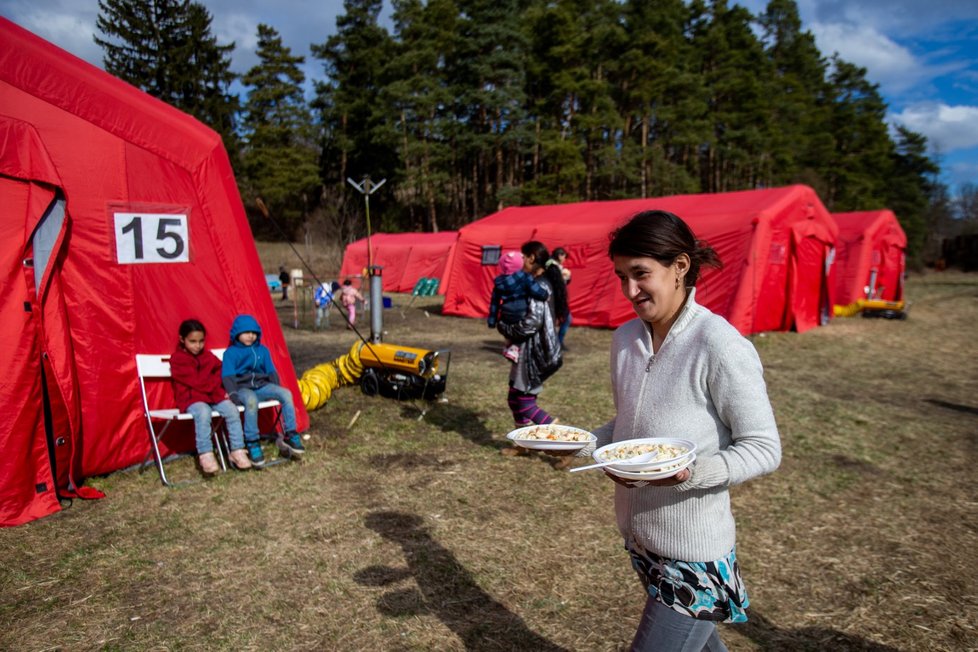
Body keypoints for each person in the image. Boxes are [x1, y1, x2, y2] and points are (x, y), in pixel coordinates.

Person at [591, 210, 781, 651]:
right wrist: (584, 444)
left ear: (680, 266)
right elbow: (629, 428)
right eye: (621, 276)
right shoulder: (624, 340)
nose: (629, 290)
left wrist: (690, 473)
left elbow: (764, 447)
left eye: (641, 274)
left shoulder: (718, 342)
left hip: (694, 554)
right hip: (642, 541)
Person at [497, 241, 569, 467]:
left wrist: (506, 328)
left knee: (525, 402)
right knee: (514, 397)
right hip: (528, 350)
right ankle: (523, 443)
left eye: (522, 257)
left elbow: (532, 322)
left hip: (534, 352)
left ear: (530, 258)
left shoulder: (539, 286)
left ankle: (564, 446)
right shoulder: (540, 282)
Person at [169, 319, 252, 475]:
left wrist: (214, 385)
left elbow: (222, 369)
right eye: (192, 341)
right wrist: (213, 384)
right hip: (192, 399)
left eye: (201, 341)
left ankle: (237, 450)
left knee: (231, 410)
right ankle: (206, 454)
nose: (197, 345)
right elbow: (194, 381)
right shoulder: (177, 360)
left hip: (213, 396)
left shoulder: (208, 356)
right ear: (182, 339)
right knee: (203, 412)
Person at [222, 314, 305, 467]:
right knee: (251, 400)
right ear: (237, 333)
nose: (250, 336)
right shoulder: (231, 353)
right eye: (246, 332)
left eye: (254, 333)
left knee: (286, 394)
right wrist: (233, 394)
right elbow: (227, 375)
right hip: (242, 388)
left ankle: (291, 434)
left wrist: (276, 388)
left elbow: (271, 371)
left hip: (262, 386)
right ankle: (252, 442)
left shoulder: (263, 351)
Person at [487, 250, 550, 363]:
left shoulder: (498, 283)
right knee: (523, 330)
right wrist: (545, 295)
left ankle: (508, 344)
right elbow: (535, 290)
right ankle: (514, 348)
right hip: (521, 311)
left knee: (508, 329)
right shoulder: (525, 277)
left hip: (506, 312)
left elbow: (494, 303)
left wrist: (492, 321)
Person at [551, 247, 573, 348]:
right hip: (555, 299)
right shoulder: (552, 266)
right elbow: (555, 283)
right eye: (564, 256)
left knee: (563, 319)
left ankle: (557, 341)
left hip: (558, 298)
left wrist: (567, 278)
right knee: (565, 319)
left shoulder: (558, 266)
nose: (565, 258)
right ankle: (557, 342)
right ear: (559, 255)